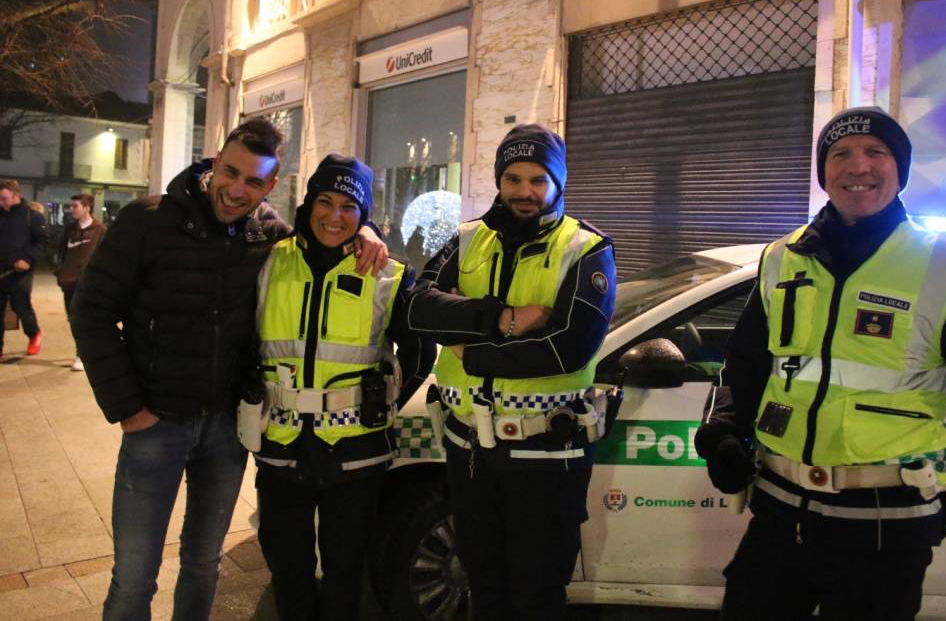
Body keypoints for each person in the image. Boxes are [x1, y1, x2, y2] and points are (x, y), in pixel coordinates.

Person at [694, 106, 946, 621]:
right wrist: (721, 430)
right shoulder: (783, 258)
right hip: (779, 515)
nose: (858, 166)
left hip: (884, 529)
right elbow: (742, 363)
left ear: (901, 169)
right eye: (841, 153)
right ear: (824, 171)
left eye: (877, 152)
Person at [69, 119, 387, 621]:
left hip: (226, 429)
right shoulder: (147, 220)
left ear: (270, 187)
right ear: (214, 162)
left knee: (203, 564)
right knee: (135, 575)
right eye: (231, 173)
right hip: (155, 423)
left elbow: (324, 235)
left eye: (254, 182)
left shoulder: (267, 236)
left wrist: (367, 229)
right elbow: (90, 311)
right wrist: (129, 408)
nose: (237, 190)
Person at [407, 124, 617, 620]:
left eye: (539, 179)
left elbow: (567, 349)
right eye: (514, 178)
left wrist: (470, 351)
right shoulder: (465, 240)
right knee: (484, 586)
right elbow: (417, 309)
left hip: (548, 457)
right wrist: (503, 319)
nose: (525, 191)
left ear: (558, 183)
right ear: (500, 181)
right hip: (471, 454)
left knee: (537, 596)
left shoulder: (585, 250)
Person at [249, 154, 435, 621]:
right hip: (281, 445)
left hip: (357, 451)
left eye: (349, 207)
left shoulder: (387, 273)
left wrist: (381, 399)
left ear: (364, 214)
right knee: (287, 569)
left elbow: (419, 353)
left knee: (345, 570)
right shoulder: (269, 262)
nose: (334, 216)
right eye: (325, 201)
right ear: (309, 203)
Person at [55, 193, 106, 371]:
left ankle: (81, 353)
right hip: (68, 282)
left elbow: (105, 257)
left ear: (86, 208)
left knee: (82, 319)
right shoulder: (70, 229)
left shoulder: (100, 230)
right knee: (72, 319)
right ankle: (83, 350)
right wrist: (60, 273)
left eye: (75, 206)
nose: (71, 209)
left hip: (87, 283)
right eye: (71, 206)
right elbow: (61, 252)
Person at [0, 179, 47, 357]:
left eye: (5, 198)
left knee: (21, 306)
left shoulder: (32, 216)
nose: (2, 202)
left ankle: (34, 334)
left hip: (21, 272)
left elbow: (42, 242)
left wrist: (27, 259)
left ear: (16, 196)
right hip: (1, 270)